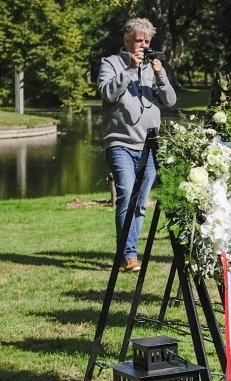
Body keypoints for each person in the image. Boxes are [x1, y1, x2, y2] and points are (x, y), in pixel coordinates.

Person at [98, 17, 177, 273]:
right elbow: (107, 93)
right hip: (119, 142)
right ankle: (128, 255)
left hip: (149, 145)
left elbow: (171, 100)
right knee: (126, 197)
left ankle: (128, 252)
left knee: (141, 202)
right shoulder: (111, 63)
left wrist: (160, 73)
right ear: (127, 40)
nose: (142, 45)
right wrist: (130, 69)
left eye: (146, 41)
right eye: (138, 41)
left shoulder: (154, 67)